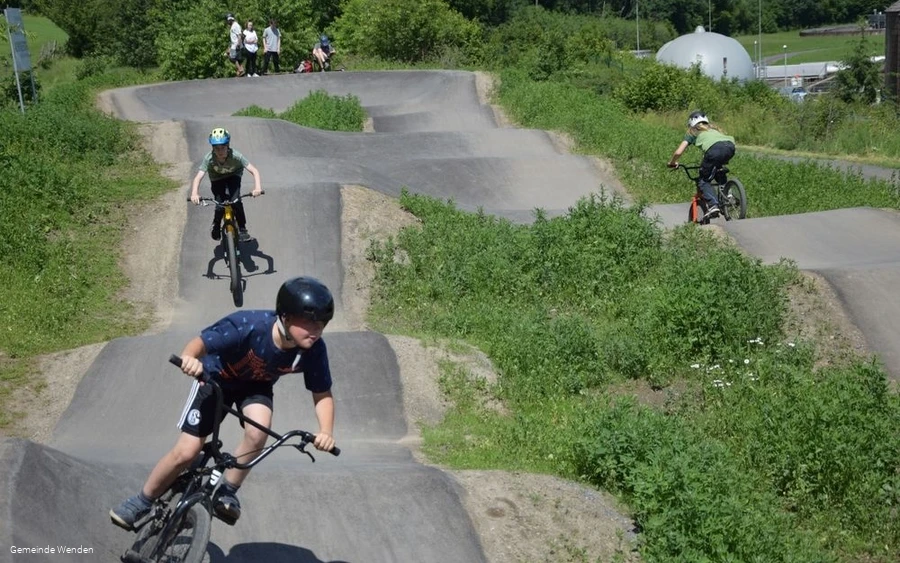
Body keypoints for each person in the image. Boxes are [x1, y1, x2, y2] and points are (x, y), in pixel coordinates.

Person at [110, 276, 337, 529]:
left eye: (322, 325)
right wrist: (190, 358)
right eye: (309, 323)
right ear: (285, 316)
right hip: (215, 378)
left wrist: (326, 432)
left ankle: (228, 490)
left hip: (255, 386)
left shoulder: (313, 350)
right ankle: (141, 501)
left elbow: (322, 394)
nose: (316, 332)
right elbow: (201, 343)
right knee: (187, 451)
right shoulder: (247, 325)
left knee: (259, 429)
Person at [190, 128, 262, 243]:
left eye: (223, 147)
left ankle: (242, 229)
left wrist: (257, 188)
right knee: (220, 204)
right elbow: (198, 177)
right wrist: (194, 193)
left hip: (234, 175)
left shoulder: (236, 155)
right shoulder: (209, 158)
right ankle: (216, 225)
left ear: (228, 145)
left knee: (236, 201)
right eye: (216, 148)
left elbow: (254, 170)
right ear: (212, 148)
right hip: (217, 179)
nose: (220, 151)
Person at [667, 111, 736, 219]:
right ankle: (728, 195)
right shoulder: (713, 129)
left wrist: (672, 162)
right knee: (718, 169)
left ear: (691, 124)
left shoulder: (692, 132)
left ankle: (713, 205)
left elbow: (678, 152)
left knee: (703, 180)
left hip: (714, 150)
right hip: (730, 147)